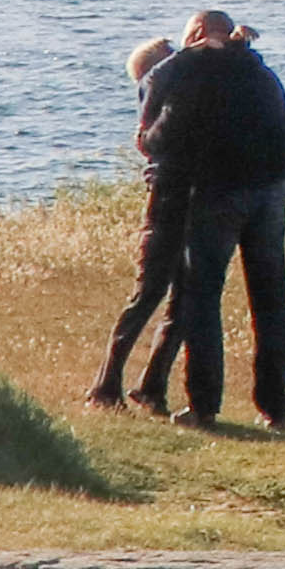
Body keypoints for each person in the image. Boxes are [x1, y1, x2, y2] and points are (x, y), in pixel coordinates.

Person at [139, 6, 285, 430]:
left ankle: (204, 405)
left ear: (194, 34)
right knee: (269, 302)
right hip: (268, 194)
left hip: (216, 196)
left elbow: (153, 141)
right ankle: (274, 406)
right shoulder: (263, 75)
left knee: (202, 296)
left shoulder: (181, 74)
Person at [86, 32, 194, 412]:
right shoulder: (161, 92)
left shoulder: (174, 95)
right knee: (149, 294)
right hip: (167, 200)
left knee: (184, 298)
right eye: (171, 55)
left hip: (183, 198)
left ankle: (150, 385)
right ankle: (106, 383)